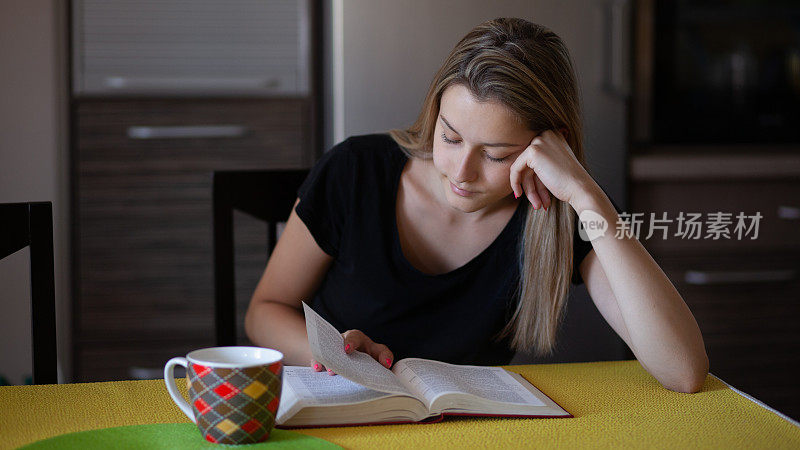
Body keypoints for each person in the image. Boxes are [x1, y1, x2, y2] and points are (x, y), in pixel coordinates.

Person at [245, 18, 709, 393]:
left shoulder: (558, 213)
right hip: (342, 413)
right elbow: (264, 309)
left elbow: (683, 370)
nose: (461, 172)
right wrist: (330, 354)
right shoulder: (354, 171)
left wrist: (589, 197)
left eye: (496, 155)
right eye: (449, 137)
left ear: (546, 150)